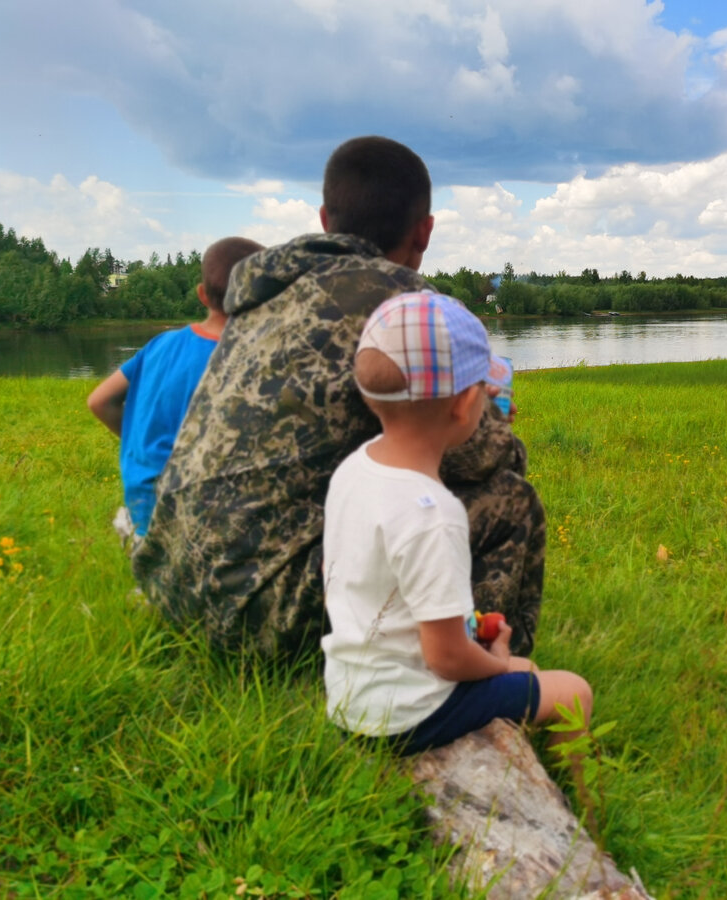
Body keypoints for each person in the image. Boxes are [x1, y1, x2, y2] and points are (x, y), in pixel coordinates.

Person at [132, 136, 546, 659]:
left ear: (325, 218)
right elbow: (483, 452)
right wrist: (496, 418)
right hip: (260, 619)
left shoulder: (261, 295)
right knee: (511, 500)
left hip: (173, 582)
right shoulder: (408, 310)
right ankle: (480, 677)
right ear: (426, 230)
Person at [323, 291, 590, 753]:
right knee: (573, 691)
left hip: (351, 698)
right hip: (407, 717)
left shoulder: (355, 469)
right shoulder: (434, 512)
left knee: (527, 672)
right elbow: (445, 658)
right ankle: (588, 805)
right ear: (465, 404)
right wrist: (498, 662)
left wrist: (478, 633)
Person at [87, 237, 263, 537]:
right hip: (205, 513)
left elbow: (99, 401)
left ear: (202, 295)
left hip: (145, 500)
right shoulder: (250, 356)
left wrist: (137, 442)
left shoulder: (162, 343)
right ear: (261, 297)